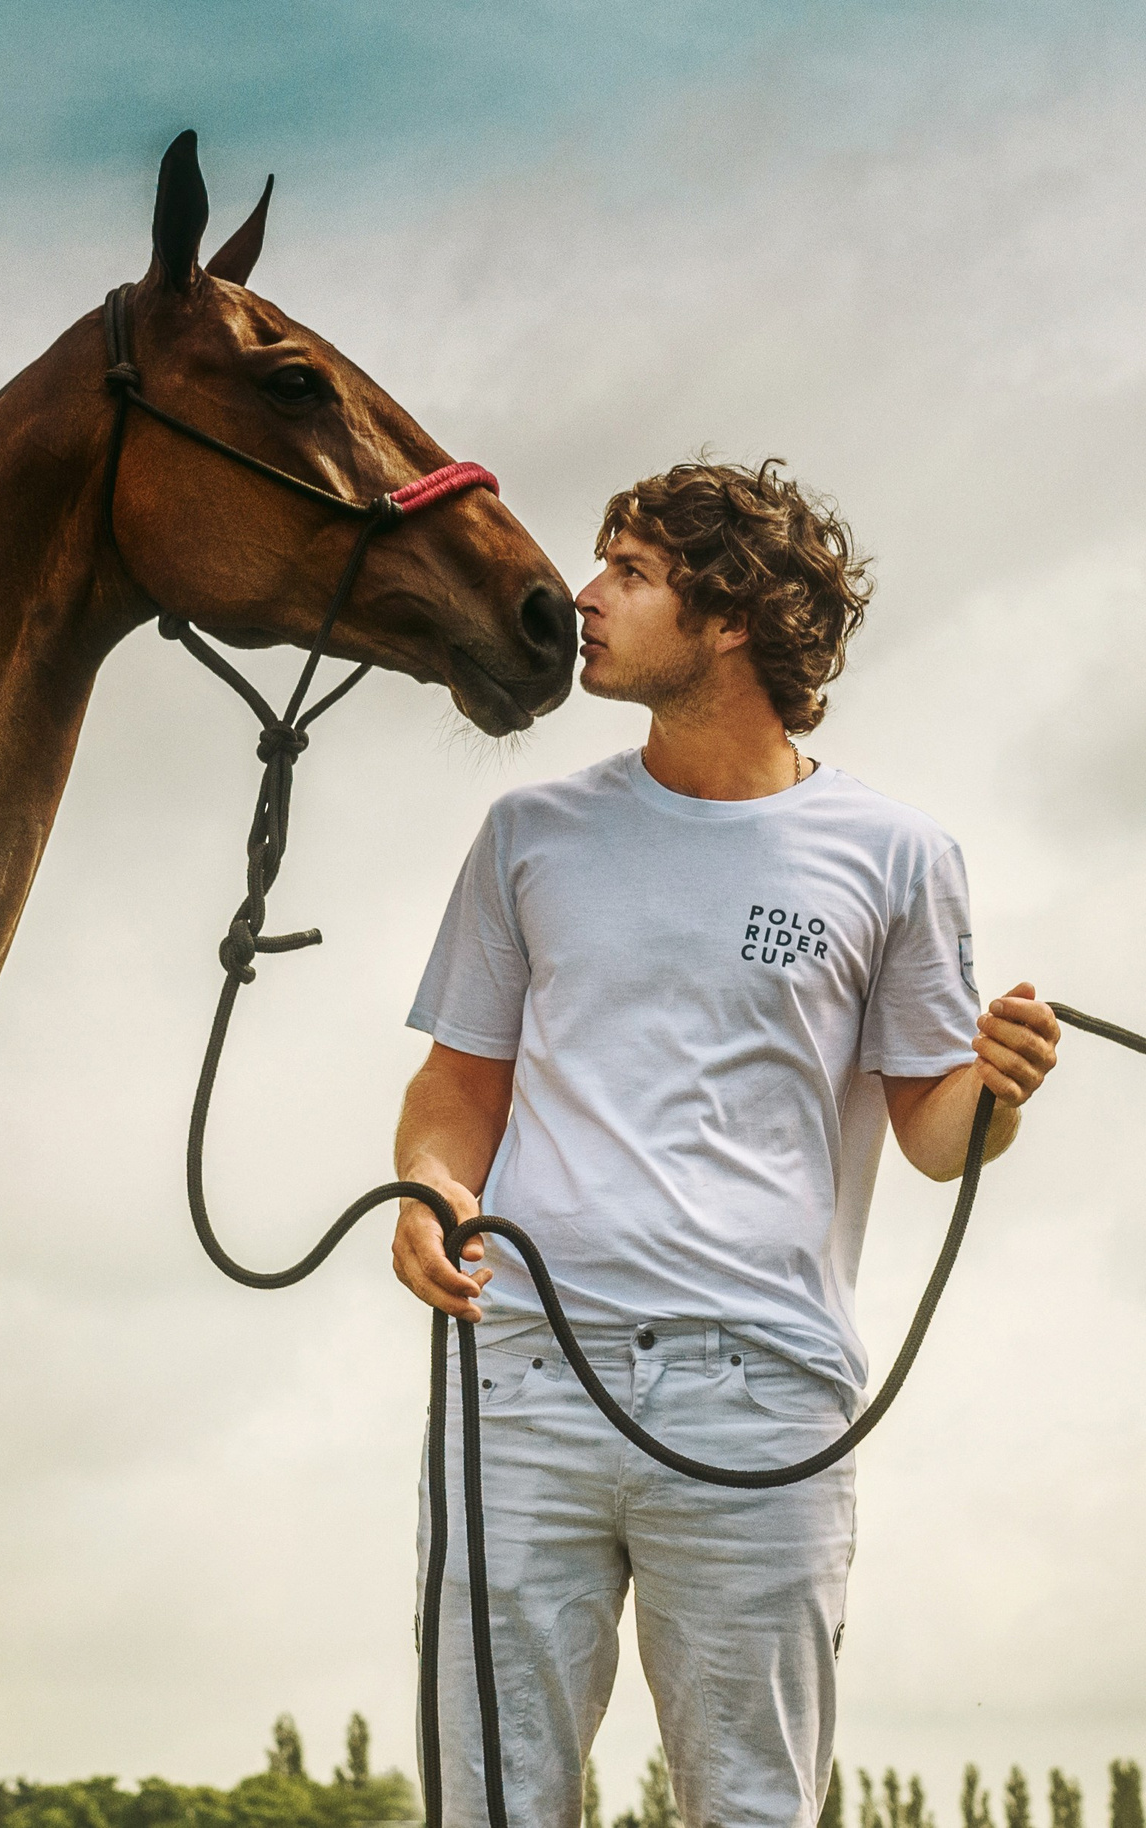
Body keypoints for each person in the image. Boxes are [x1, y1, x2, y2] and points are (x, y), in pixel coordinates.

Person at [389, 458, 1061, 1827]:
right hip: (519, 1383)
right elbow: (459, 1086)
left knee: (754, 1809)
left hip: (760, 1401)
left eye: (630, 572)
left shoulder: (895, 855)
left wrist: (999, 1083)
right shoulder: (529, 835)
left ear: (733, 615)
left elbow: (936, 1134)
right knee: (491, 1807)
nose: (586, 596)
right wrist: (426, 1193)